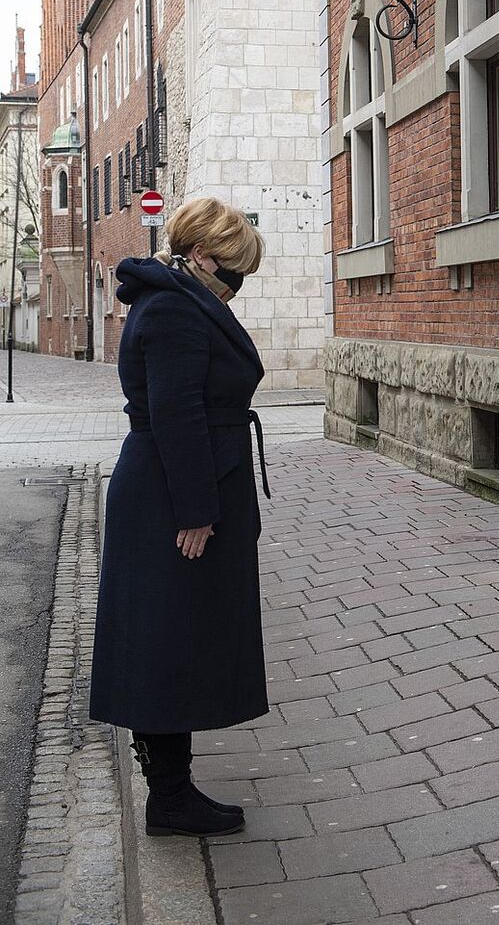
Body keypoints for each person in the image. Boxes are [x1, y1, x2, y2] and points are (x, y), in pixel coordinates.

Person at [90, 197, 270, 837]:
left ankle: (171, 788)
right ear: (199, 256)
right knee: (166, 641)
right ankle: (168, 797)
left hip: (181, 485)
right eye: (232, 273)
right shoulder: (172, 307)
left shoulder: (178, 298)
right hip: (174, 494)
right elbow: (176, 414)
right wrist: (196, 510)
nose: (235, 287)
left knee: (175, 635)